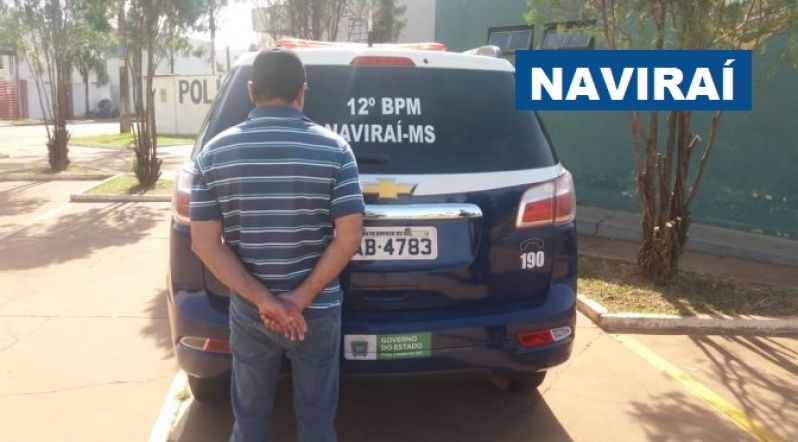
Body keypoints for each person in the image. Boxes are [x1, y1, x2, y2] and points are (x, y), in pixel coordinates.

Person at [189, 49, 365, 442]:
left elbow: (205, 243)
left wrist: (266, 301)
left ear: (252, 91)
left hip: (251, 312)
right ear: (302, 92)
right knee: (317, 421)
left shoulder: (213, 154)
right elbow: (350, 236)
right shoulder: (336, 150)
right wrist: (298, 300)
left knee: (249, 421)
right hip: (316, 311)